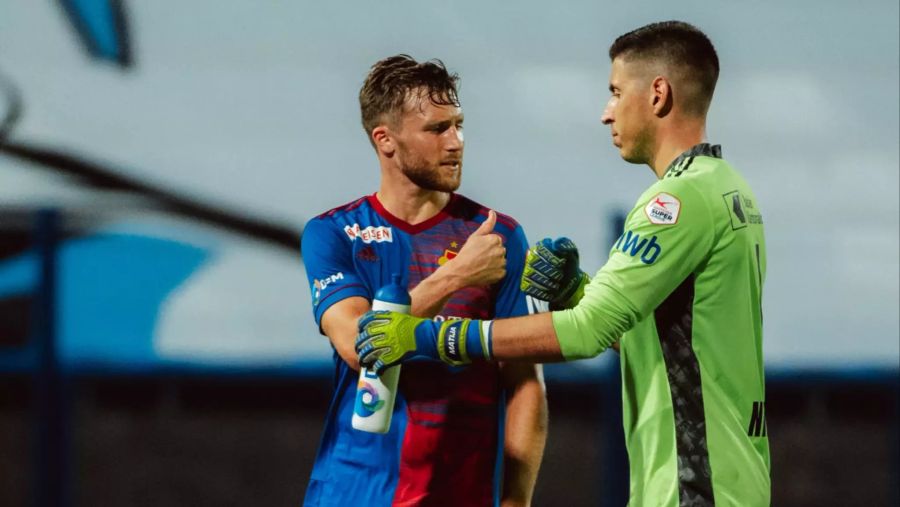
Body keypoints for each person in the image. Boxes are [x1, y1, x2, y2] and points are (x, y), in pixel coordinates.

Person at [357, 22, 771, 506]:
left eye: (616, 92)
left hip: (694, 488)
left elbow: (586, 332)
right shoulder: (728, 187)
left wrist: (431, 335)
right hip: (732, 479)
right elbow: (671, 341)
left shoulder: (675, 201)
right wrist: (575, 290)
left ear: (658, 94)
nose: (606, 112)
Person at [301, 54, 547, 507]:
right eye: (437, 129)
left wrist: (516, 501)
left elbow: (525, 381)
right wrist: (457, 275)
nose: (456, 142)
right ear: (385, 140)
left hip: (460, 494)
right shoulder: (334, 234)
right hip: (355, 493)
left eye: (459, 124)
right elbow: (360, 347)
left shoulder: (498, 237)